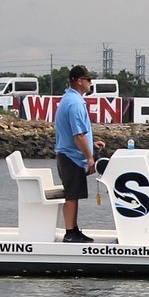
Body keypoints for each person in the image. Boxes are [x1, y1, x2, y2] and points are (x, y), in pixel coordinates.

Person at [53, 65, 101, 243]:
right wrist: (90, 158)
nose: (91, 83)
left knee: (74, 194)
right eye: (88, 79)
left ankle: (73, 229)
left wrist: (92, 144)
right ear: (79, 81)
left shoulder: (71, 99)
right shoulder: (74, 103)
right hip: (71, 157)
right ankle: (70, 233)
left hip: (69, 154)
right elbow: (78, 135)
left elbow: (78, 134)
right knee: (72, 196)